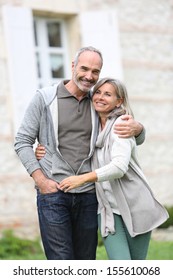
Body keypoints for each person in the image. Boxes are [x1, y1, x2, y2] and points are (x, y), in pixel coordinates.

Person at [14, 46, 145, 260]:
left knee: (86, 261)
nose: (89, 76)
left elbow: (127, 132)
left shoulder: (98, 101)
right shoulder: (45, 98)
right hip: (53, 192)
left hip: (89, 194)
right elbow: (22, 141)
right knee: (61, 260)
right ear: (73, 66)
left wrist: (139, 128)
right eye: (84, 68)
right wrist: (41, 180)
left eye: (95, 71)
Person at [55, 77, 168, 260]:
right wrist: (41, 150)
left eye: (108, 94)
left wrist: (82, 179)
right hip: (108, 211)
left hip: (136, 206)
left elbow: (118, 167)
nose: (100, 97)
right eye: (98, 92)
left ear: (119, 101)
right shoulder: (92, 126)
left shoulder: (121, 126)